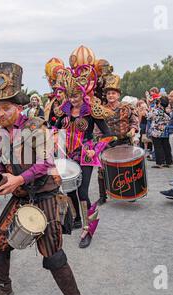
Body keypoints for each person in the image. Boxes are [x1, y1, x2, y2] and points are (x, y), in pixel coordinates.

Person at [0, 62, 83, 295]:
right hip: (21, 197)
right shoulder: (0, 136)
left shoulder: (35, 127)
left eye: (5, 108)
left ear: (18, 107)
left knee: (53, 255)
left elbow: (45, 164)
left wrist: (18, 178)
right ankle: (4, 288)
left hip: (45, 196)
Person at [55, 69, 112, 248]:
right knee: (69, 188)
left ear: (84, 94)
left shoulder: (92, 112)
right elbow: (54, 129)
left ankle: (88, 228)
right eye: (70, 96)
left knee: (82, 191)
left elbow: (108, 135)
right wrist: (54, 136)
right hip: (67, 155)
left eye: (76, 96)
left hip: (85, 155)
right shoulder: (64, 111)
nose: (73, 100)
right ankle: (75, 219)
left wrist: (95, 150)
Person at [97, 74, 139, 205]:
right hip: (108, 143)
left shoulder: (126, 107)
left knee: (127, 168)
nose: (111, 96)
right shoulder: (101, 110)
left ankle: (130, 193)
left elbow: (134, 120)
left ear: (118, 95)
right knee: (102, 170)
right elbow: (97, 128)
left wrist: (132, 130)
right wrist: (102, 139)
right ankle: (103, 196)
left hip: (124, 142)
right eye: (109, 93)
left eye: (113, 93)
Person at [148, 96, 172, 168]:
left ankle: (159, 163)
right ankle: (168, 161)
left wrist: (152, 107)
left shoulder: (156, 110)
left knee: (158, 147)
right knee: (166, 146)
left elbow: (148, 116)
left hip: (157, 131)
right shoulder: (168, 110)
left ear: (159, 103)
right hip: (166, 131)